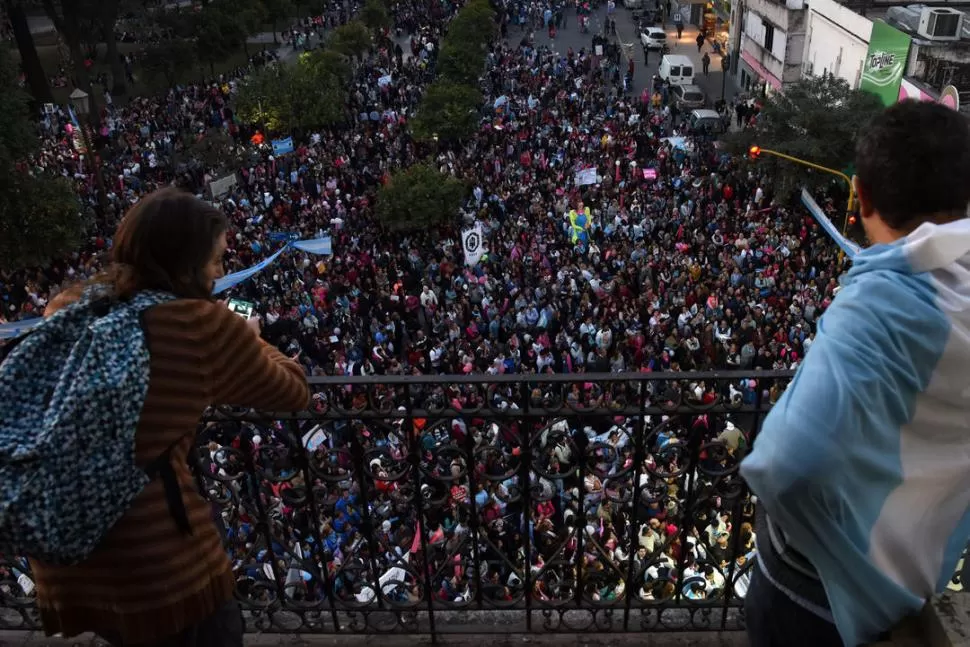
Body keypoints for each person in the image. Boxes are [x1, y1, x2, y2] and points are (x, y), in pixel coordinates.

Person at [28, 188, 311, 647]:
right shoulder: (198, 325)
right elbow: (292, 390)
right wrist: (250, 336)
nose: (221, 271)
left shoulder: (69, 305)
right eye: (216, 258)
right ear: (185, 260)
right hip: (161, 563)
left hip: (72, 551)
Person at [741, 100, 970, 647]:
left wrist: (850, 570)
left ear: (861, 196)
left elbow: (784, 464)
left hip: (812, 599)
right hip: (914, 589)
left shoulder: (881, 301)